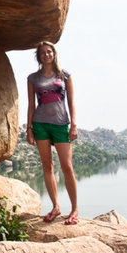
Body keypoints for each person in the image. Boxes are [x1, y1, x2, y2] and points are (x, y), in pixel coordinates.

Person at [26, 41, 79, 224]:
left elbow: (71, 102)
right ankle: (56, 206)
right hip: (40, 124)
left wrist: (73, 125)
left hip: (61, 124)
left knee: (67, 166)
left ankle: (74, 210)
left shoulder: (64, 76)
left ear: (54, 53)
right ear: (39, 57)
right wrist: (29, 129)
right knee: (47, 166)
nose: (46, 55)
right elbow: (31, 105)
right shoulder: (33, 78)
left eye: (49, 51)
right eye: (43, 53)